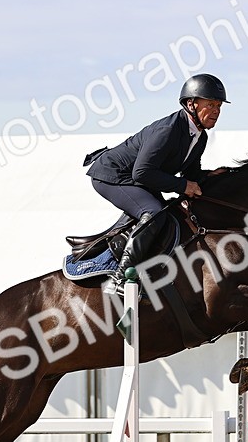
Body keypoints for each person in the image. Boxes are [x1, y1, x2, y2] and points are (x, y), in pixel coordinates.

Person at [83, 73, 229, 290]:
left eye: (219, 106)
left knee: (168, 214)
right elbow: (142, 173)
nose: (216, 111)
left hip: (138, 178)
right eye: (210, 105)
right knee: (153, 213)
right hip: (112, 175)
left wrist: (211, 175)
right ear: (191, 104)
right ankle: (121, 279)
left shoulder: (200, 137)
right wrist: (183, 186)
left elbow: (190, 172)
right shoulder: (167, 130)